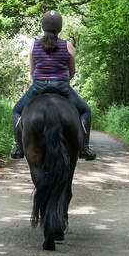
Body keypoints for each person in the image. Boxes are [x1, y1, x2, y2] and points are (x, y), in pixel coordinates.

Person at [10, 10, 96, 160]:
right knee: (85, 111)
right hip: (62, 87)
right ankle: (85, 148)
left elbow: (32, 71)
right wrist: (61, 81)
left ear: (43, 27)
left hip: (38, 87)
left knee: (16, 111)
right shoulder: (67, 46)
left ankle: (18, 147)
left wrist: (41, 80)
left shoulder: (34, 46)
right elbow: (72, 71)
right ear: (60, 28)